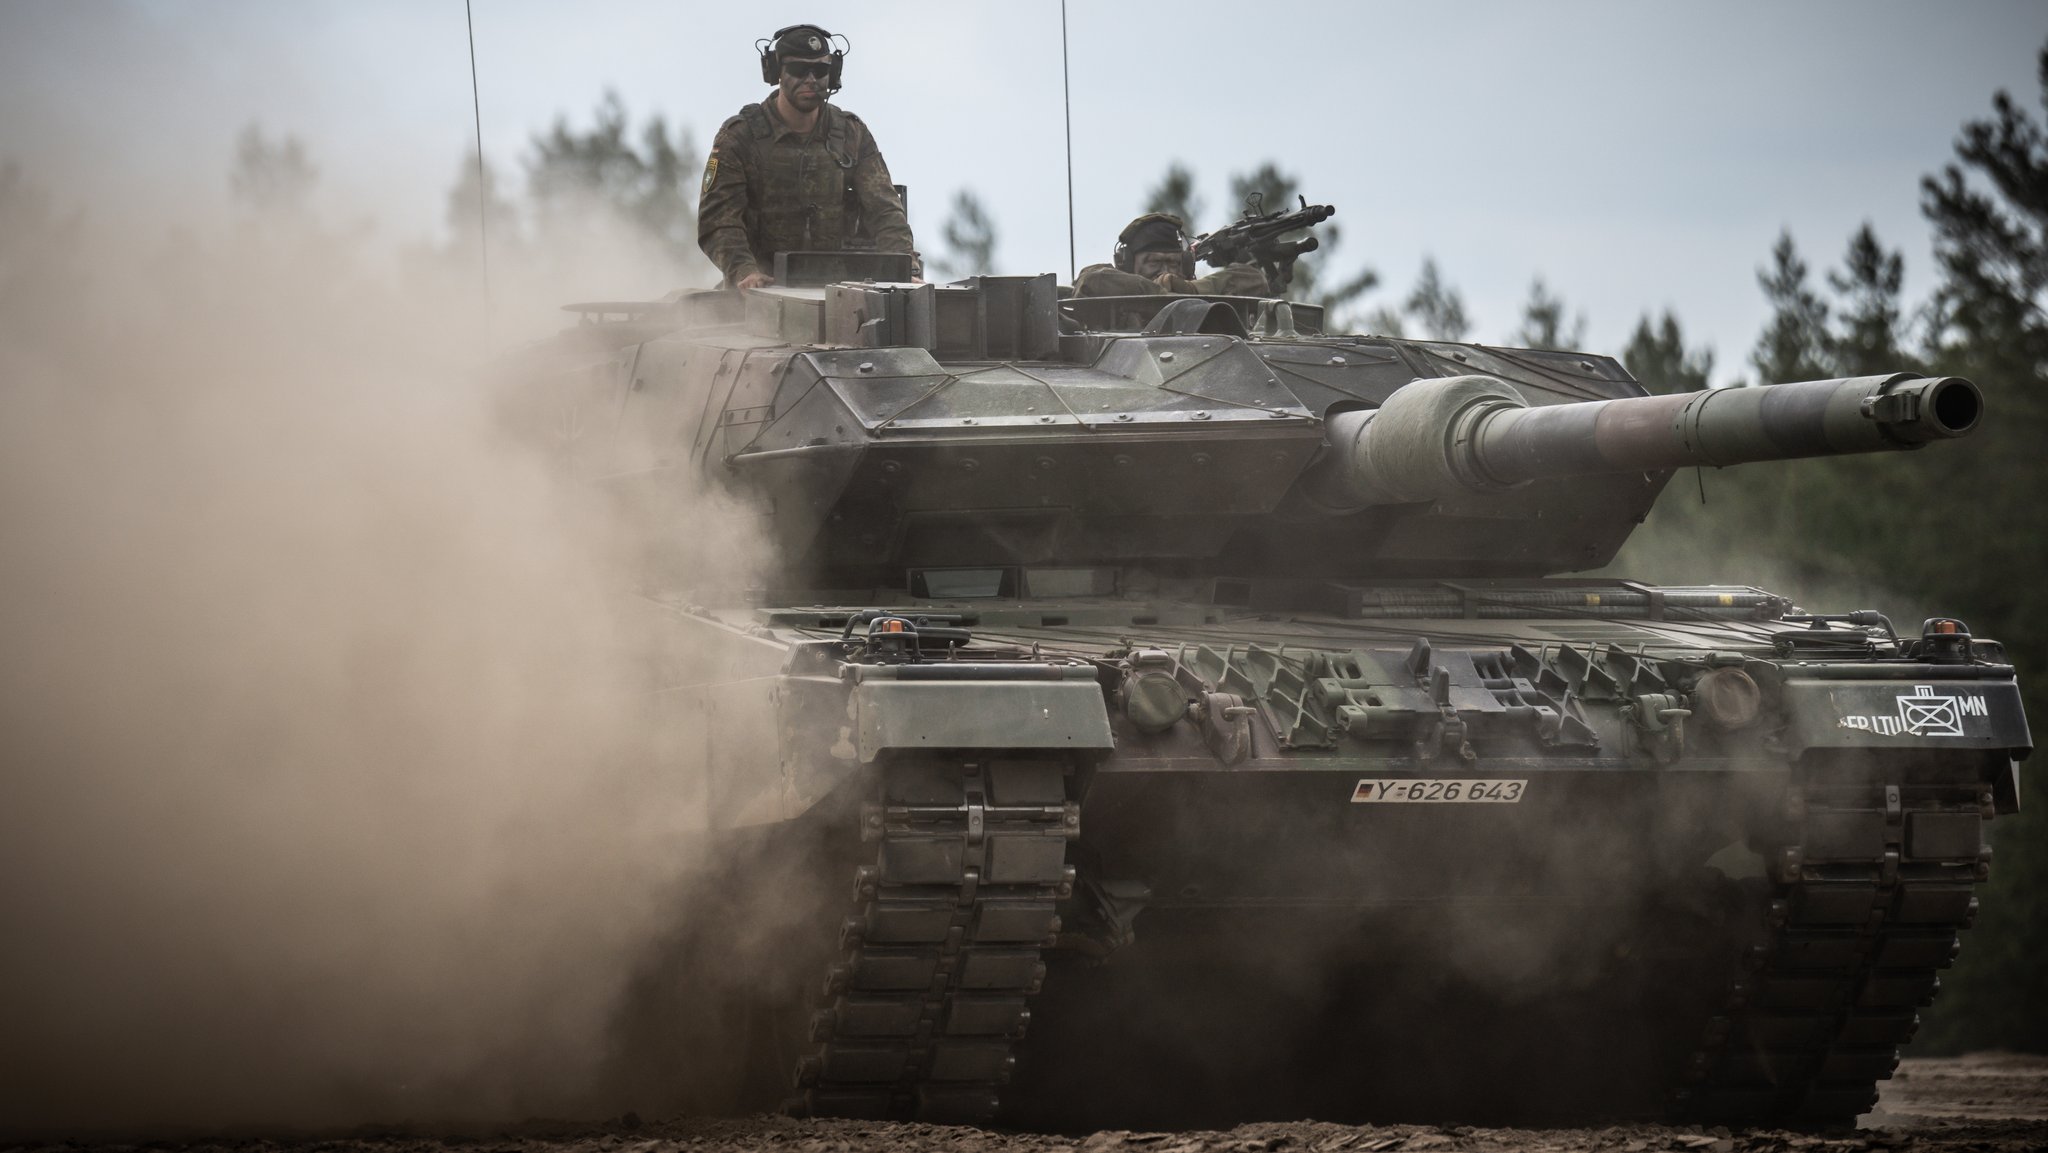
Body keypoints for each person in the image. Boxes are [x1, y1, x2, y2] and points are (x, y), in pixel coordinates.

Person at [697, 23, 920, 291]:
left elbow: (885, 211)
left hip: (837, 291)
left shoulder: (851, 134)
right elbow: (719, 221)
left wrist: (905, 271)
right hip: (758, 290)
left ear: (833, 73)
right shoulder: (741, 137)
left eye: (821, 70)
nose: (811, 79)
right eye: (799, 70)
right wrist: (744, 271)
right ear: (777, 72)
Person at [1073, 213, 1272, 298]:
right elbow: (1092, 280)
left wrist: (1190, 290)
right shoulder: (1108, 282)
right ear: (1127, 263)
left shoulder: (1193, 294)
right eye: (1154, 262)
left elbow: (1254, 279)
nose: (1166, 270)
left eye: (1173, 263)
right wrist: (1158, 292)